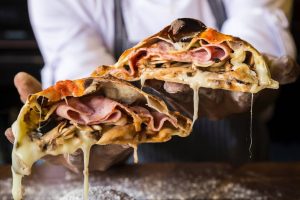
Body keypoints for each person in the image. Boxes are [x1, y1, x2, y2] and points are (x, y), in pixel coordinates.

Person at [4, 0, 299, 172]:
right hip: (125, 179)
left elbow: (260, 33)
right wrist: (90, 129)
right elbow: (83, 79)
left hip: (238, 169)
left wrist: (248, 80)